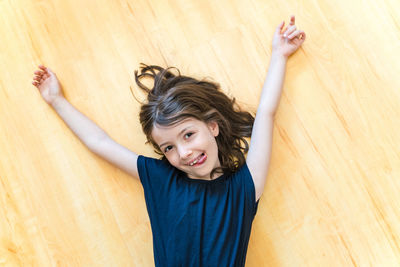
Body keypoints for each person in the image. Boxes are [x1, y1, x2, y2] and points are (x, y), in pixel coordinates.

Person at [32, 15, 305, 267]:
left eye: (188, 135)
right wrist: (56, 100)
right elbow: (99, 142)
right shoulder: (162, 179)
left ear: (212, 127)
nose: (184, 153)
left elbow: (266, 114)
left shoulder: (244, 187)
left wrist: (279, 55)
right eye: (169, 148)